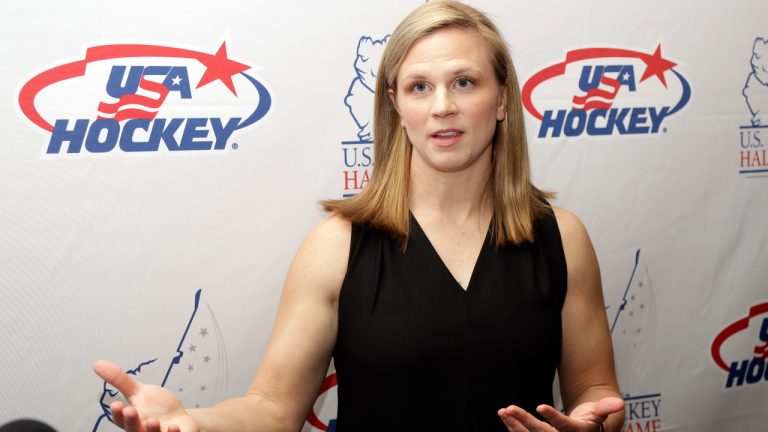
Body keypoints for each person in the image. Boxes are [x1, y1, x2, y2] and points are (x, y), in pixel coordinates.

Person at [93, 1, 625, 431]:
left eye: (465, 82)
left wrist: (590, 424)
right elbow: (274, 409)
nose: (442, 106)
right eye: (420, 86)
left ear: (503, 98)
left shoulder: (561, 237)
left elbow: (596, 393)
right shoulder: (337, 245)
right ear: (396, 105)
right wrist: (193, 423)